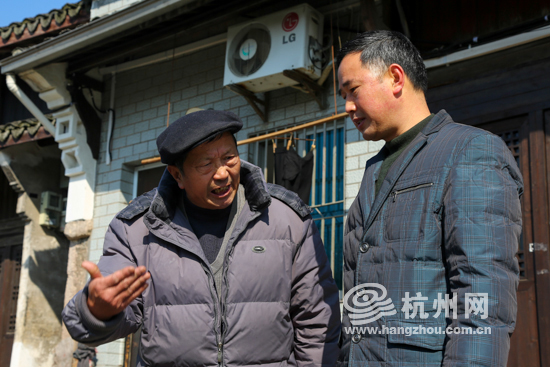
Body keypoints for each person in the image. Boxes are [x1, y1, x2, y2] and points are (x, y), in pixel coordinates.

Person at [62, 109, 341, 367]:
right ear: (177, 175)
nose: (222, 173)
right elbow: (86, 325)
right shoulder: (135, 229)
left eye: (229, 157)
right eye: (205, 164)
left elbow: (317, 320)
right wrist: (96, 310)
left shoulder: (286, 218)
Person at [336, 31, 522, 366]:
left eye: (353, 91)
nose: (347, 106)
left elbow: (483, 300)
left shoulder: (469, 151)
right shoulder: (375, 168)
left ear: (395, 77)